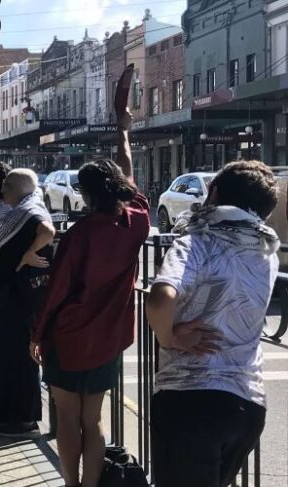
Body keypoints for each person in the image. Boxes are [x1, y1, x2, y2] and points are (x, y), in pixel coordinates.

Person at [30, 99, 147, 487]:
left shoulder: (80, 234)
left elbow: (57, 291)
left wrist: (37, 334)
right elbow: (129, 178)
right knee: (93, 420)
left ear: (84, 192)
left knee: (67, 416)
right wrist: (123, 129)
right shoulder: (137, 222)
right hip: (108, 338)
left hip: (68, 337)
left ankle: (70, 483)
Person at [145, 160, 278, 487]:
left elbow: (160, 298)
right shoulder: (267, 251)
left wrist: (170, 339)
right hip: (246, 405)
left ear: (214, 193)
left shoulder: (197, 242)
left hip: (189, 401)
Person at [0, 168, 54, 438]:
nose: (3, 191)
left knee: (19, 360)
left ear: (20, 188)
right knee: (7, 357)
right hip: (9, 297)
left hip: (19, 300)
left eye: (7, 186)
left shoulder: (31, 210)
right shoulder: (23, 209)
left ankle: (22, 419)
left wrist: (28, 253)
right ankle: (6, 413)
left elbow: (47, 231)